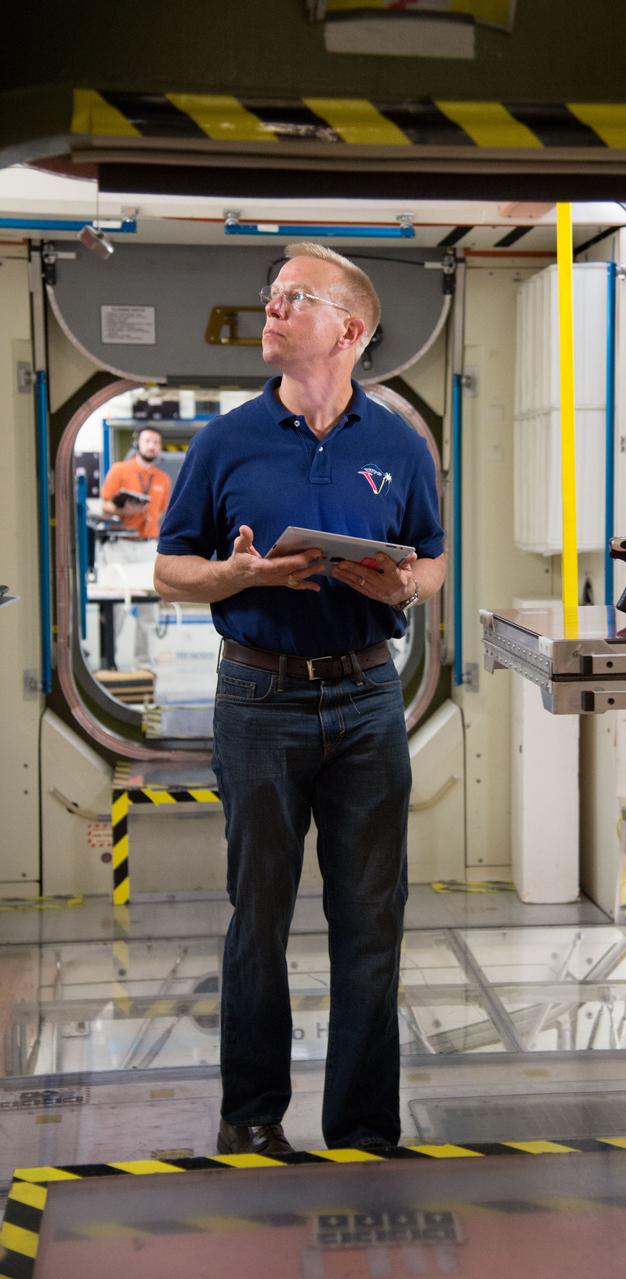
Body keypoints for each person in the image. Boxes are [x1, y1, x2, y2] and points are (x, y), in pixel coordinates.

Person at [154, 243, 446, 1156]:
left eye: (292, 299)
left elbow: (431, 558)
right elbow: (169, 567)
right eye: (271, 297)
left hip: (365, 697)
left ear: (350, 329)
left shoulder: (398, 443)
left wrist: (403, 587)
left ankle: (361, 1130)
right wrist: (233, 573)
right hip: (258, 694)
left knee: (370, 921)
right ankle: (251, 1119)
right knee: (260, 920)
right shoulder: (225, 440)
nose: (270, 310)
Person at [100, 426, 171, 669]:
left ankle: (144, 666)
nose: (152, 445)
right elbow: (105, 505)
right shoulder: (120, 470)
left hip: (147, 548)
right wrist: (123, 510)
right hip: (119, 547)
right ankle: (110, 664)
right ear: (137, 443)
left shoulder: (163, 479)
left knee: (148, 611)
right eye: (148, 440)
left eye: (156, 442)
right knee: (116, 609)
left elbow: (161, 511)